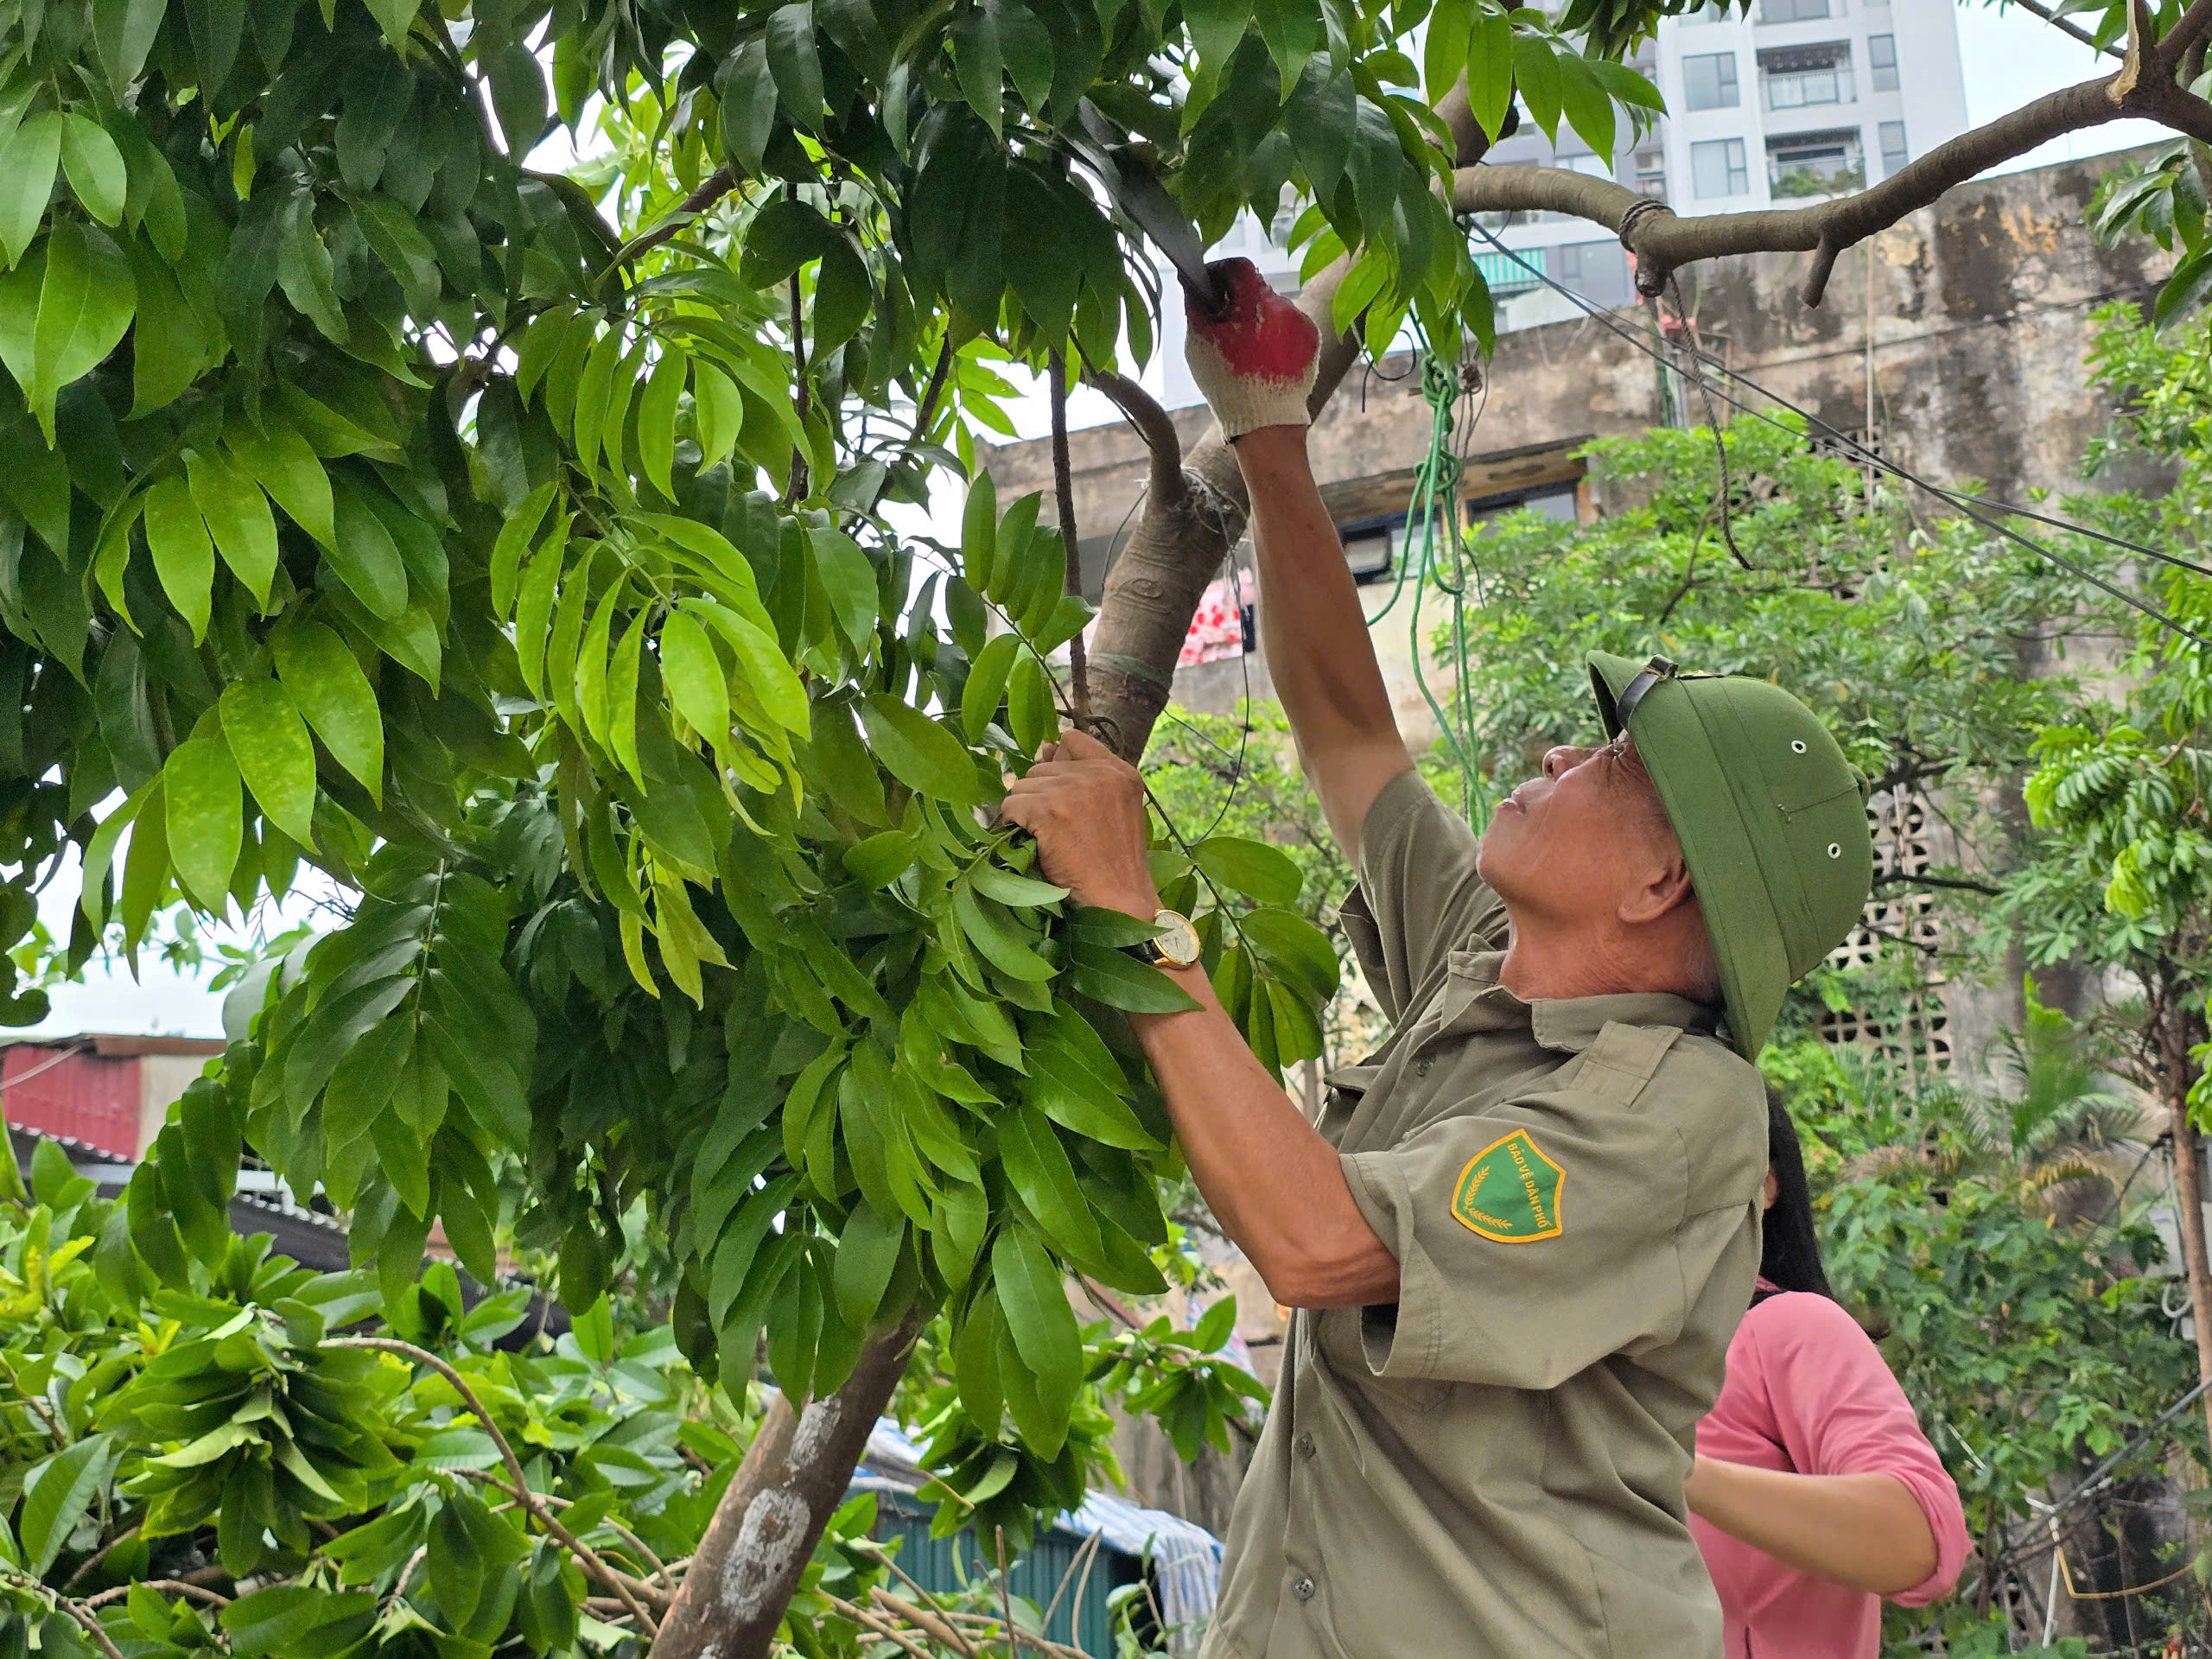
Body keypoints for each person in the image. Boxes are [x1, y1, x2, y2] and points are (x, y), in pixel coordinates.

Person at [999, 257, 1877, 1658]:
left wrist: (1134, 913)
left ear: (1663, 879)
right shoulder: (1484, 954)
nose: (1551, 753)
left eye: (1607, 763)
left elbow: (1323, 1242)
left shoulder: (1677, 1116)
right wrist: (1271, 426)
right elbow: (1349, 731)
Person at [1687, 1091, 1970, 1656]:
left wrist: (1668, 1467)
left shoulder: (1786, 1327)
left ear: (1766, 1184)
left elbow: (1921, 1539)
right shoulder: (1603, 1358)